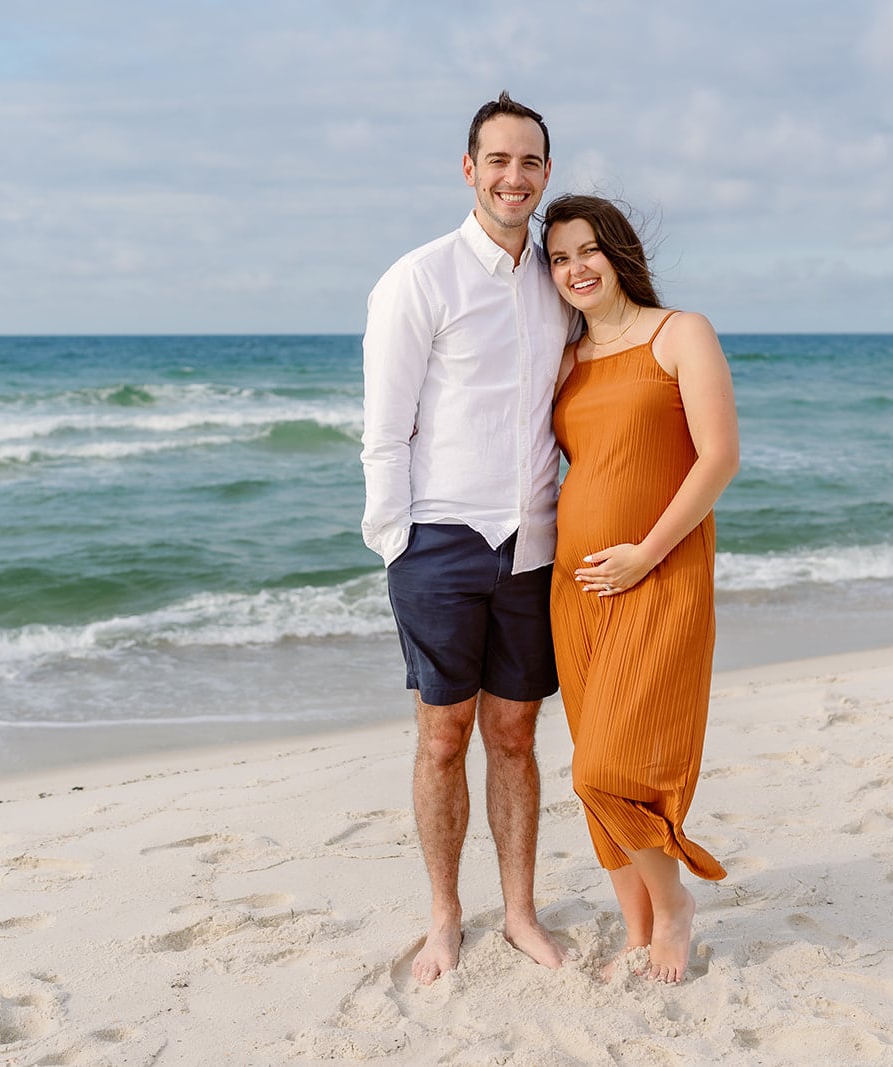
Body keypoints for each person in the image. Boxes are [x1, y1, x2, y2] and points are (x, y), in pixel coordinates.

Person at [360, 92, 572, 985]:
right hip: (438, 542)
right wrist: (396, 543)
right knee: (444, 736)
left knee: (516, 735)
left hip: (533, 543)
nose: (513, 177)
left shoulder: (562, 280)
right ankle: (446, 916)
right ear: (469, 169)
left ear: (546, 173)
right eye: (498, 161)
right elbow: (385, 428)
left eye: (529, 162)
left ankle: (518, 910)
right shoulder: (420, 277)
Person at [541, 194, 740, 984]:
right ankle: (637, 923)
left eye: (586, 250)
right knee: (593, 764)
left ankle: (676, 905)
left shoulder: (680, 332)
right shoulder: (566, 360)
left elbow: (717, 457)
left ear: (618, 251)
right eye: (557, 258)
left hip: (661, 574)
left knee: (607, 768)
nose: (575, 268)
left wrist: (645, 554)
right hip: (574, 589)